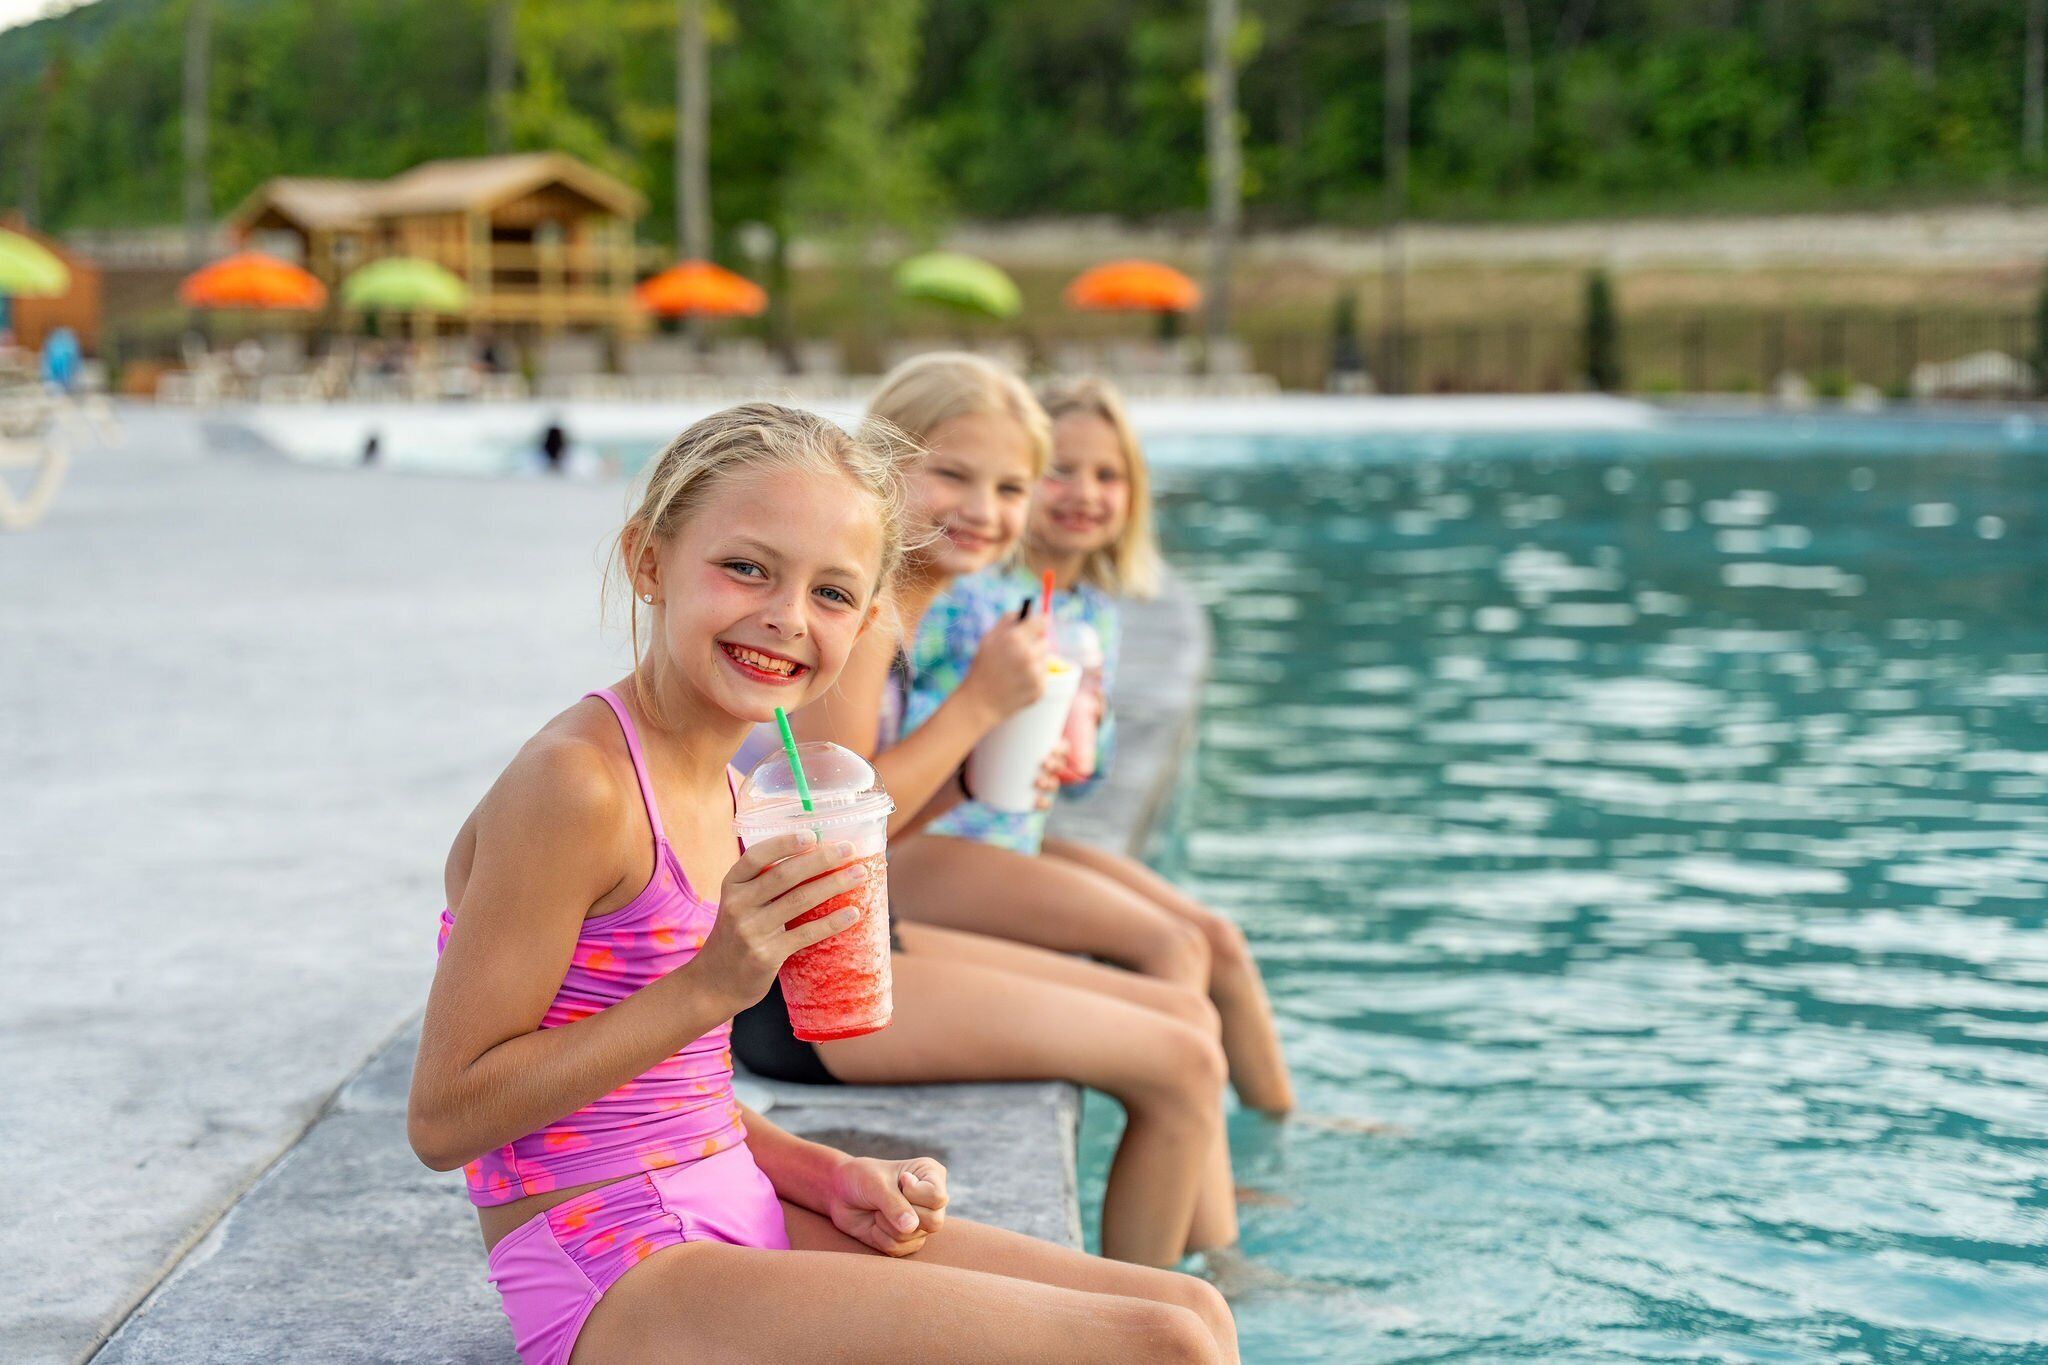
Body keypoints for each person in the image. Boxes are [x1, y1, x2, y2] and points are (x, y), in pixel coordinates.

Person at [408, 402, 1235, 1364]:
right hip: (611, 1266)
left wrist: (824, 1171)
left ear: (871, 618)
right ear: (648, 561)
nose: (786, 618)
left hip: (733, 1199)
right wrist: (711, 986)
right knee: (1160, 1346)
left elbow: (669, 1092)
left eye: (834, 594)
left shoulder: (731, 788)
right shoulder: (578, 784)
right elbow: (445, 1115)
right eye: (746, 567)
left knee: (1193, 1309)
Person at [734, 355, 1240, 1269]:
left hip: (858, 948)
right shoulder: (863, 618)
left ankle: (1216, 1272)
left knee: (1186, 1020)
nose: (985, 508)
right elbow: (826, 843)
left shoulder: (907, 611)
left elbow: (878, 814)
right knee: (1184, 1064)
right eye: (952, 474)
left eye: (1011, 486)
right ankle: (1150, 1319)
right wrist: (977, 708)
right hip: (810, 996)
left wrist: (975, 776)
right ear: (879, 469)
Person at [895, 376, 1295, 1117]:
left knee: (1218, 939)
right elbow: (902, 724)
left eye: (1108, 475)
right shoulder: (970, 593)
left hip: (1009, 832)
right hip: (935, 839)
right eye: (1060, 472)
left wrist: (1081, 721)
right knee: (1170, 947)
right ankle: (1179, 1110)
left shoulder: (1089, 609)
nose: (1085, 492)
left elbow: (1078, 779)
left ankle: (1281, 1122)